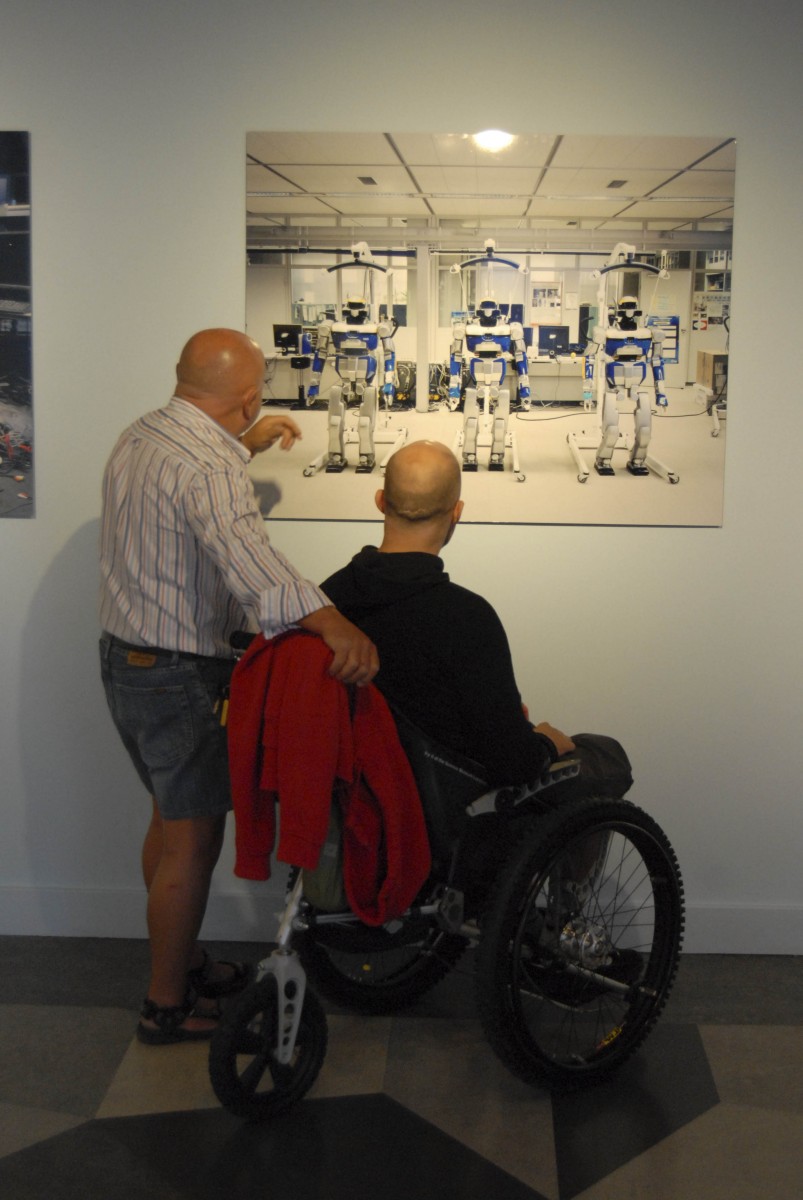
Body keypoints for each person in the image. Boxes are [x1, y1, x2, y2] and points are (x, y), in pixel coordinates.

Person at [99, 327, 378, 1045]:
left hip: (125, 660)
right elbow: (251, 559)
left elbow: (190, 487)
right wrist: (333, 622)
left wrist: (243, 445)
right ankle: (166, 1006)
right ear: (249, 396)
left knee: (166, 824)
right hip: (176, 673)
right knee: (191, 842)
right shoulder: (210, 470)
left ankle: (181, 962)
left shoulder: (145, 433)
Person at [321, 439, 632, 797]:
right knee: (604, 755)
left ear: (380, 501)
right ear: (457, 512)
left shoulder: (325, 602)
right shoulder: (468, 618)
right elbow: (513, 763)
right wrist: (543, 742)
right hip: (445, 814)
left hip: (350, 799)